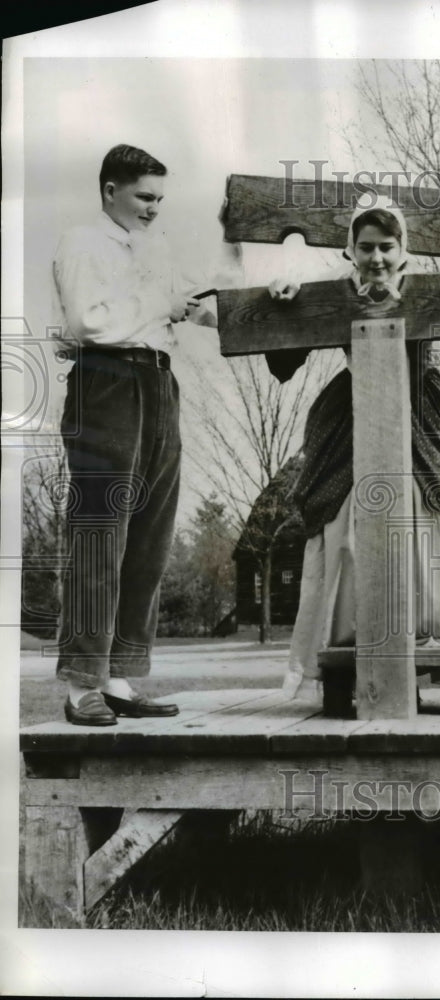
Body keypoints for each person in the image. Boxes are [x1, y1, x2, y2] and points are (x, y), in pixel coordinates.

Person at [260, 198, 440, 698]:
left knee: (433, 526)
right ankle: (347, 647)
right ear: (350, 251)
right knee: (345, 530)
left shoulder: (431, 289)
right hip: (354, 415)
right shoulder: (336, 295)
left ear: (404, 251)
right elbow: (282, 357)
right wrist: (283, 298)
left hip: (423, 414)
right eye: (366, 248)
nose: (376, 258)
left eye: (386, 247)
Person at [53, 144, 217, 725]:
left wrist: (265, 296)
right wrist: (161, 304)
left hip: (159, 385)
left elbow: (198, 306)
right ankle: (82, 687)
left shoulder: (157, 248)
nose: (153, 209)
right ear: (110, 191)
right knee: (101, 533)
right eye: (145, 197)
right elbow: (86, 321)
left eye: (159, 200)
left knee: (149, 537)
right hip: (107, 384)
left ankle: (119, 678)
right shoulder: (83, 242)